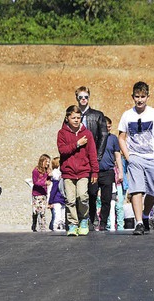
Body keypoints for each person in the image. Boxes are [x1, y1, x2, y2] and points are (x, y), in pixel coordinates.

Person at [117, 81, 154, 235]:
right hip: (135, 157)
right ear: (132, 97)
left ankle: (145, 215)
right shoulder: (127, 115)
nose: (140, 100)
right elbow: (121, 137)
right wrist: (128, 156)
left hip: (152, 158)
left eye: (143, 97)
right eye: (137, 97)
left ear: (148, 97)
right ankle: (138, 222)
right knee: (136, 190)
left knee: (152, 192)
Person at [57, 105, 99, 236]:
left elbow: (92, 153)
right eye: (73, 117)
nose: (76, 120)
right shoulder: (62, 133)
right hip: (68, 172)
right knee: (70, 200)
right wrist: (77, 144)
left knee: (82, 196)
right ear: (67, 118)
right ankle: (73, 224)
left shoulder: (87, 134)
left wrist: (95, 171)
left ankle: (84, 220)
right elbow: (62, 150)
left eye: (78, 117)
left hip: (83, 171)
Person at [75, 86, 109, 229]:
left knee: (93, 191)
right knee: (79, 192)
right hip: (77, 158)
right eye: (81, 97)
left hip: (92, 158)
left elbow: (103, 136)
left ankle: (91, 218)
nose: (83, 99)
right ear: (77, 98)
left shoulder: (98, 115)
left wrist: (97, 157)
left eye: (86, 97)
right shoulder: (72, 115)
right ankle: (80, 219)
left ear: (89, 97)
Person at [91, 116, 124, 231]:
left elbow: (118, 155)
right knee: (92, 195)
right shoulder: (94, 138)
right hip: (94, 172)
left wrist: (120, 172)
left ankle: (103, 222)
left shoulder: (113, 139)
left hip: (108, 171)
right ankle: (93, 219)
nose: (107, 128)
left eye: (109, 126)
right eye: (105, 126)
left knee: (107, 198)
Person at [31, 154, 51, 232]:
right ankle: (34, 224)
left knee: (42, 212)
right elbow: (35, 182)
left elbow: (49, 180)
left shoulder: (47, 171)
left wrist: (50, 176)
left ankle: (42, 228)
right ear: (42, 161)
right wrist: (44, 182)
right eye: (46, 162)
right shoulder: (35, 171)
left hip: (43, 194)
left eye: (49, 162)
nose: (48, 164)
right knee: (35, 211)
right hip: (36, 194)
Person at [48, 157, 66, 232]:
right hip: (57, 199)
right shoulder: (56, 179)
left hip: (62, 199)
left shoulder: (59, 178)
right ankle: (55, 227)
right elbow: (53, 190)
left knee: (62, 215)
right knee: (58, 215)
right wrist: (50, 201)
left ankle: (62, 226)